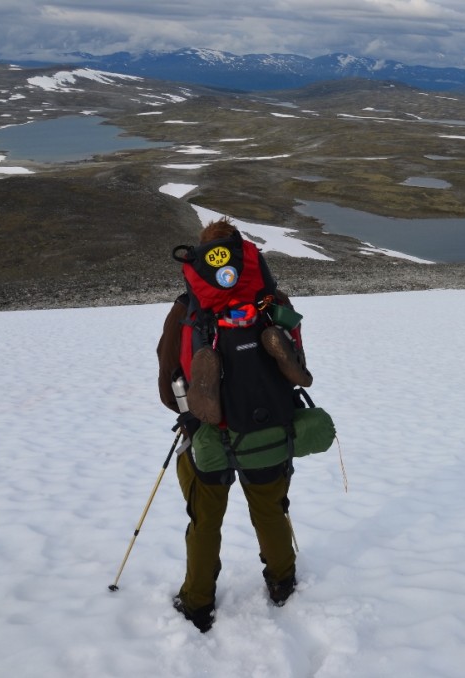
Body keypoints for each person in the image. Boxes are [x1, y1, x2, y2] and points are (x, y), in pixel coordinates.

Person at [156, 218, 308, 633]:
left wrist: (190, 410)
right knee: (270, 510)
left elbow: (169, 382)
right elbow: (300, 367)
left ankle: (198, 604)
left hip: (208, 434)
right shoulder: (273, 300)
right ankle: (281, 583)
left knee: (205, 521)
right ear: (243, 253)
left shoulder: (186, 309)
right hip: (268, 428)